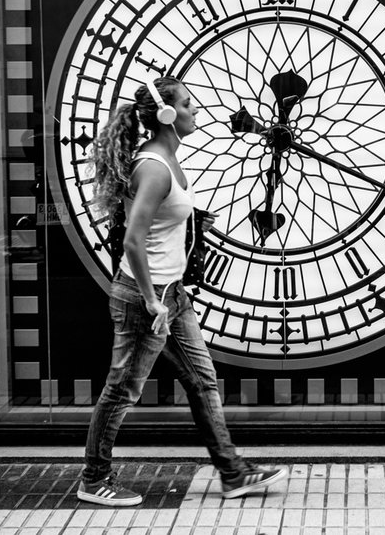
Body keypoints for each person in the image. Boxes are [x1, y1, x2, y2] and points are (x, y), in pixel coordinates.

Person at [77, 76, 287, 506]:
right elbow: (133, 240)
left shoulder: (166, 162)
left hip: (170, 294)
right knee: (122, 390)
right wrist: (153, 300)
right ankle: (93, 479)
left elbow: (156, 224)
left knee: (202, 380)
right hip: (146, 298)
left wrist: (191, 223)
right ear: (168, 115)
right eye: (189, 105)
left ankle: (232, 473)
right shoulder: (154, 167)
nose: (197, 111)